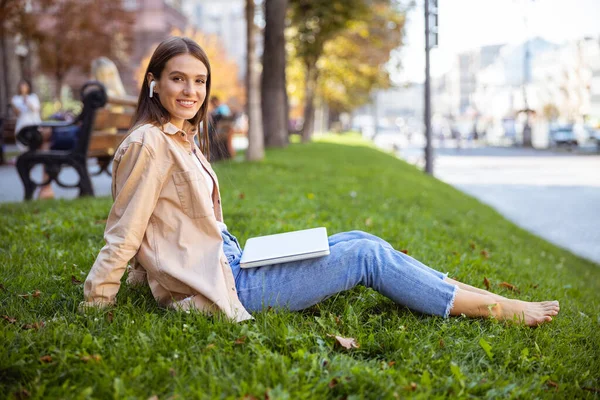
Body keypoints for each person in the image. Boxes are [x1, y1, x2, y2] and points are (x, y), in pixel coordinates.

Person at [81, 37, 560, 327]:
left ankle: (493, 300)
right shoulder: (149, 144)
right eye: (178, 79)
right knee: (367, 257)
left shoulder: (180, 139)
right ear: (154, 83)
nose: (191, 92)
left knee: (362, 238)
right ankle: (491, 309)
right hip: (225, 288)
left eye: (200, 81)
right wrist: (99, 301)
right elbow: (125, 232)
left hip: (235, 262)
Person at [11, 79, 42, 152]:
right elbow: (17, 114)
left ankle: (35, 161)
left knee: (34, 144)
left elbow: (36, 110)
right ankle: (26, 161)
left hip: (32, 123)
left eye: (25, 85)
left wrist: (27, 101)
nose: (23, 87)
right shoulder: (16, 98)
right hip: (22, 124)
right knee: (22, 144)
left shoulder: (33, 97)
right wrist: (13, 106)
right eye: (21, 85)